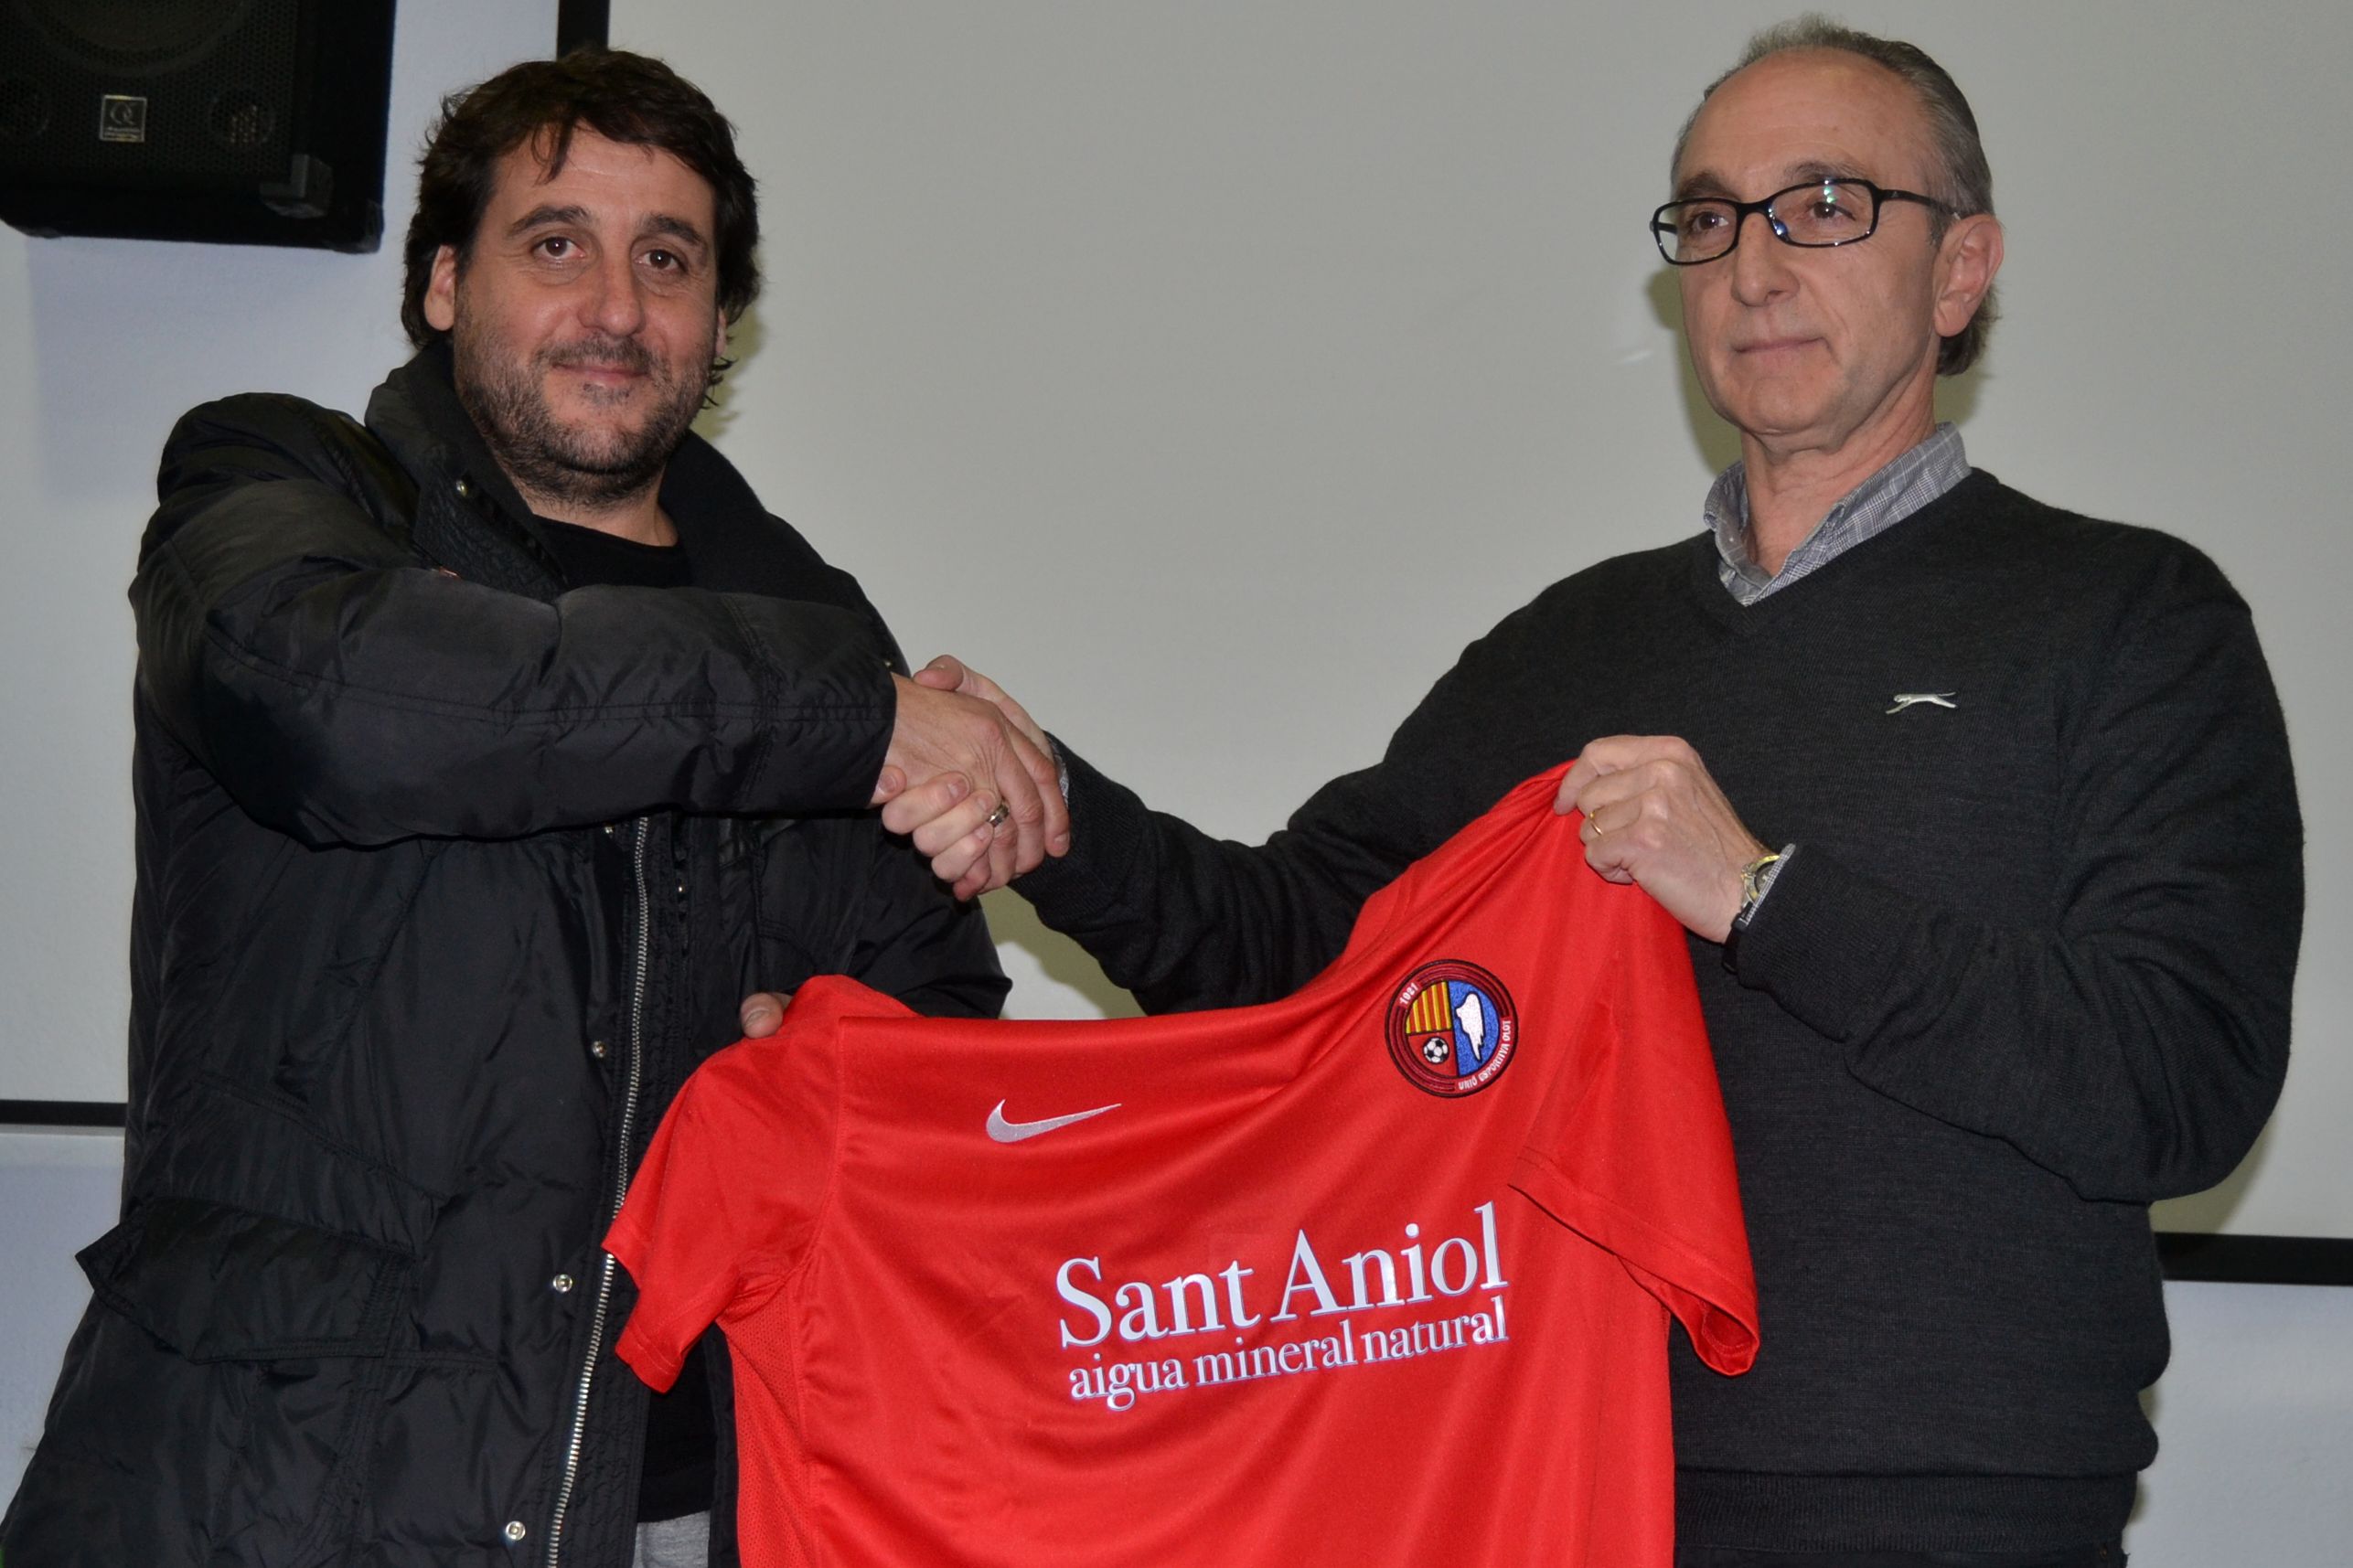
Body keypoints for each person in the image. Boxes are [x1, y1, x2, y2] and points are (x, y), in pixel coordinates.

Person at [867, 18, 2303, 1566]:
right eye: (1711, 217)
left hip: (1946, 1510)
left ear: (1960, 272)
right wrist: (1050, 811)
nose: (1755, 267)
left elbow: (2179, 1082)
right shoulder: (1571, 647)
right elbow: (1302, 954)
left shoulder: (2128, 620)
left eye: (1825, 205)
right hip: (1547, 1480)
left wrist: (1759, 895)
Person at [0, 47, 1063, 1568]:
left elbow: (930, 1028)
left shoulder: (814, 628)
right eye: (556, 244)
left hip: (692, 1503)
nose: (615, 308)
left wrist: (837, 1073)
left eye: (668, 260)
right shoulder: (283, 486)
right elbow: (337, 703)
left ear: (721, 321)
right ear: (445, 283)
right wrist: (853, 714)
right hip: (275, 1502)